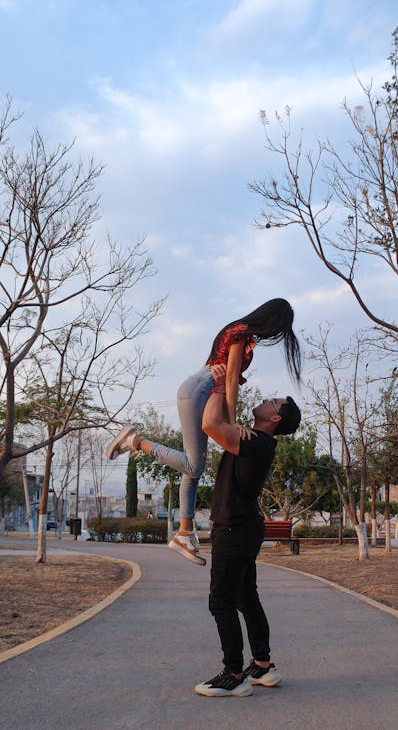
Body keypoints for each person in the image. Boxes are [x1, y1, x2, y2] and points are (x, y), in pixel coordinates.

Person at [105, 298, 301, 567]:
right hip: (201, 391)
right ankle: (135, 441)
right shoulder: (241, 334)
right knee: (194, 465)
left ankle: (185, 532)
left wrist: (230, 421)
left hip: (201, 391)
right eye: (277, 328)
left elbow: (230, 380)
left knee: (194, 466)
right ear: (271, 320)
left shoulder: (241, 333)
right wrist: (232, 424)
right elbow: (230, 379)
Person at [194, 363, 301, 697]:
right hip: (243, 525)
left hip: (234, 529)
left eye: (274, 402)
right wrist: (227, 383)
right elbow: (221, 422)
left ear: (276, 419)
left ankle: (234, 674)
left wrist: (216, 385)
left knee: (221, 602)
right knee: (245, 597)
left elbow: (211, 424)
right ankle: (262, 665)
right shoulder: (255, 439)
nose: (267, 400)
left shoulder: (255, 444)